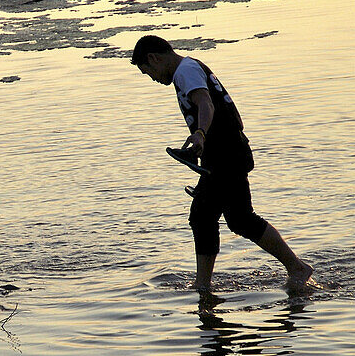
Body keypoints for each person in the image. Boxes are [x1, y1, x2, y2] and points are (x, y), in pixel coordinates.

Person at [130, 35, 314, 291]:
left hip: (227, 155)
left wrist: (200, 133)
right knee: (236, 219)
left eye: (147, 71)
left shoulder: (185, 71)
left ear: (153, 58)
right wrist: (200, 146)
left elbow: (205, 102)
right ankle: (294, 267)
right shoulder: (189, 69)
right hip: (225, 154)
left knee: (208, 216)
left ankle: (205, 287)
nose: (151, 77)